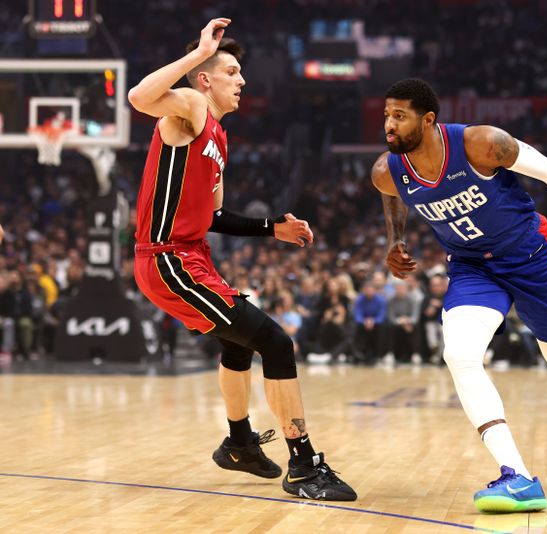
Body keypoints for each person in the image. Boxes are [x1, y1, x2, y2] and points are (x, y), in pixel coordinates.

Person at [371, 78, 547, 513]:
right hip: (472, 266)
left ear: (428, 120)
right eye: (386, 114)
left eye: (398, 115)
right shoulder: (387, 171)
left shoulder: (481, 143)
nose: (388, 124)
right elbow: (394, 195)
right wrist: (395, 240)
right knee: (459, 355)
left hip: (532, 257)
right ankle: (516, 475)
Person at [128, 18, 355, 501]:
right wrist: (197, 55)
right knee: (275, 342)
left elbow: (214, 216)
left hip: (193, 258)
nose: (242, 80)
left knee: (240, 345)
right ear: (207, 79)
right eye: (232, 72)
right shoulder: (189, 106)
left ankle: (238, 444)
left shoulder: (219, 139)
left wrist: (274, 227)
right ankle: (304, 466)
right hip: (168, 259)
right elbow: (138, 97)